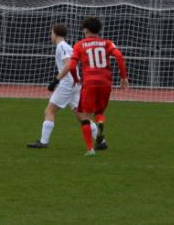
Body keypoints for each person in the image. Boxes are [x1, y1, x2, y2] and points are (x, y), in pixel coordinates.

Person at [54, 16, 128, 156]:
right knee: (99, 112)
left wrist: (76, 79)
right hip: (105, 82)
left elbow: (72, 66)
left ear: (86, 30)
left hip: (89, 82)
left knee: (84, 115)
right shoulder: (107, 43)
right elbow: (119, 56)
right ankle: (100, 122)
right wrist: (124, 77)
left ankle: (90, 149)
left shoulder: (79, 45)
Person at [27, 23, 79, 148]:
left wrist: (56, 80)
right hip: (74, 83)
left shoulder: (62, 46)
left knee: (49, 111)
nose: (50, 35)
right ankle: (101, 140)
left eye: (51, 33)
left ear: (55, 34)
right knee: (80, 114)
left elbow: (68, 64)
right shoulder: (66, 46)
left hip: (68, 84)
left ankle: (43, 142)